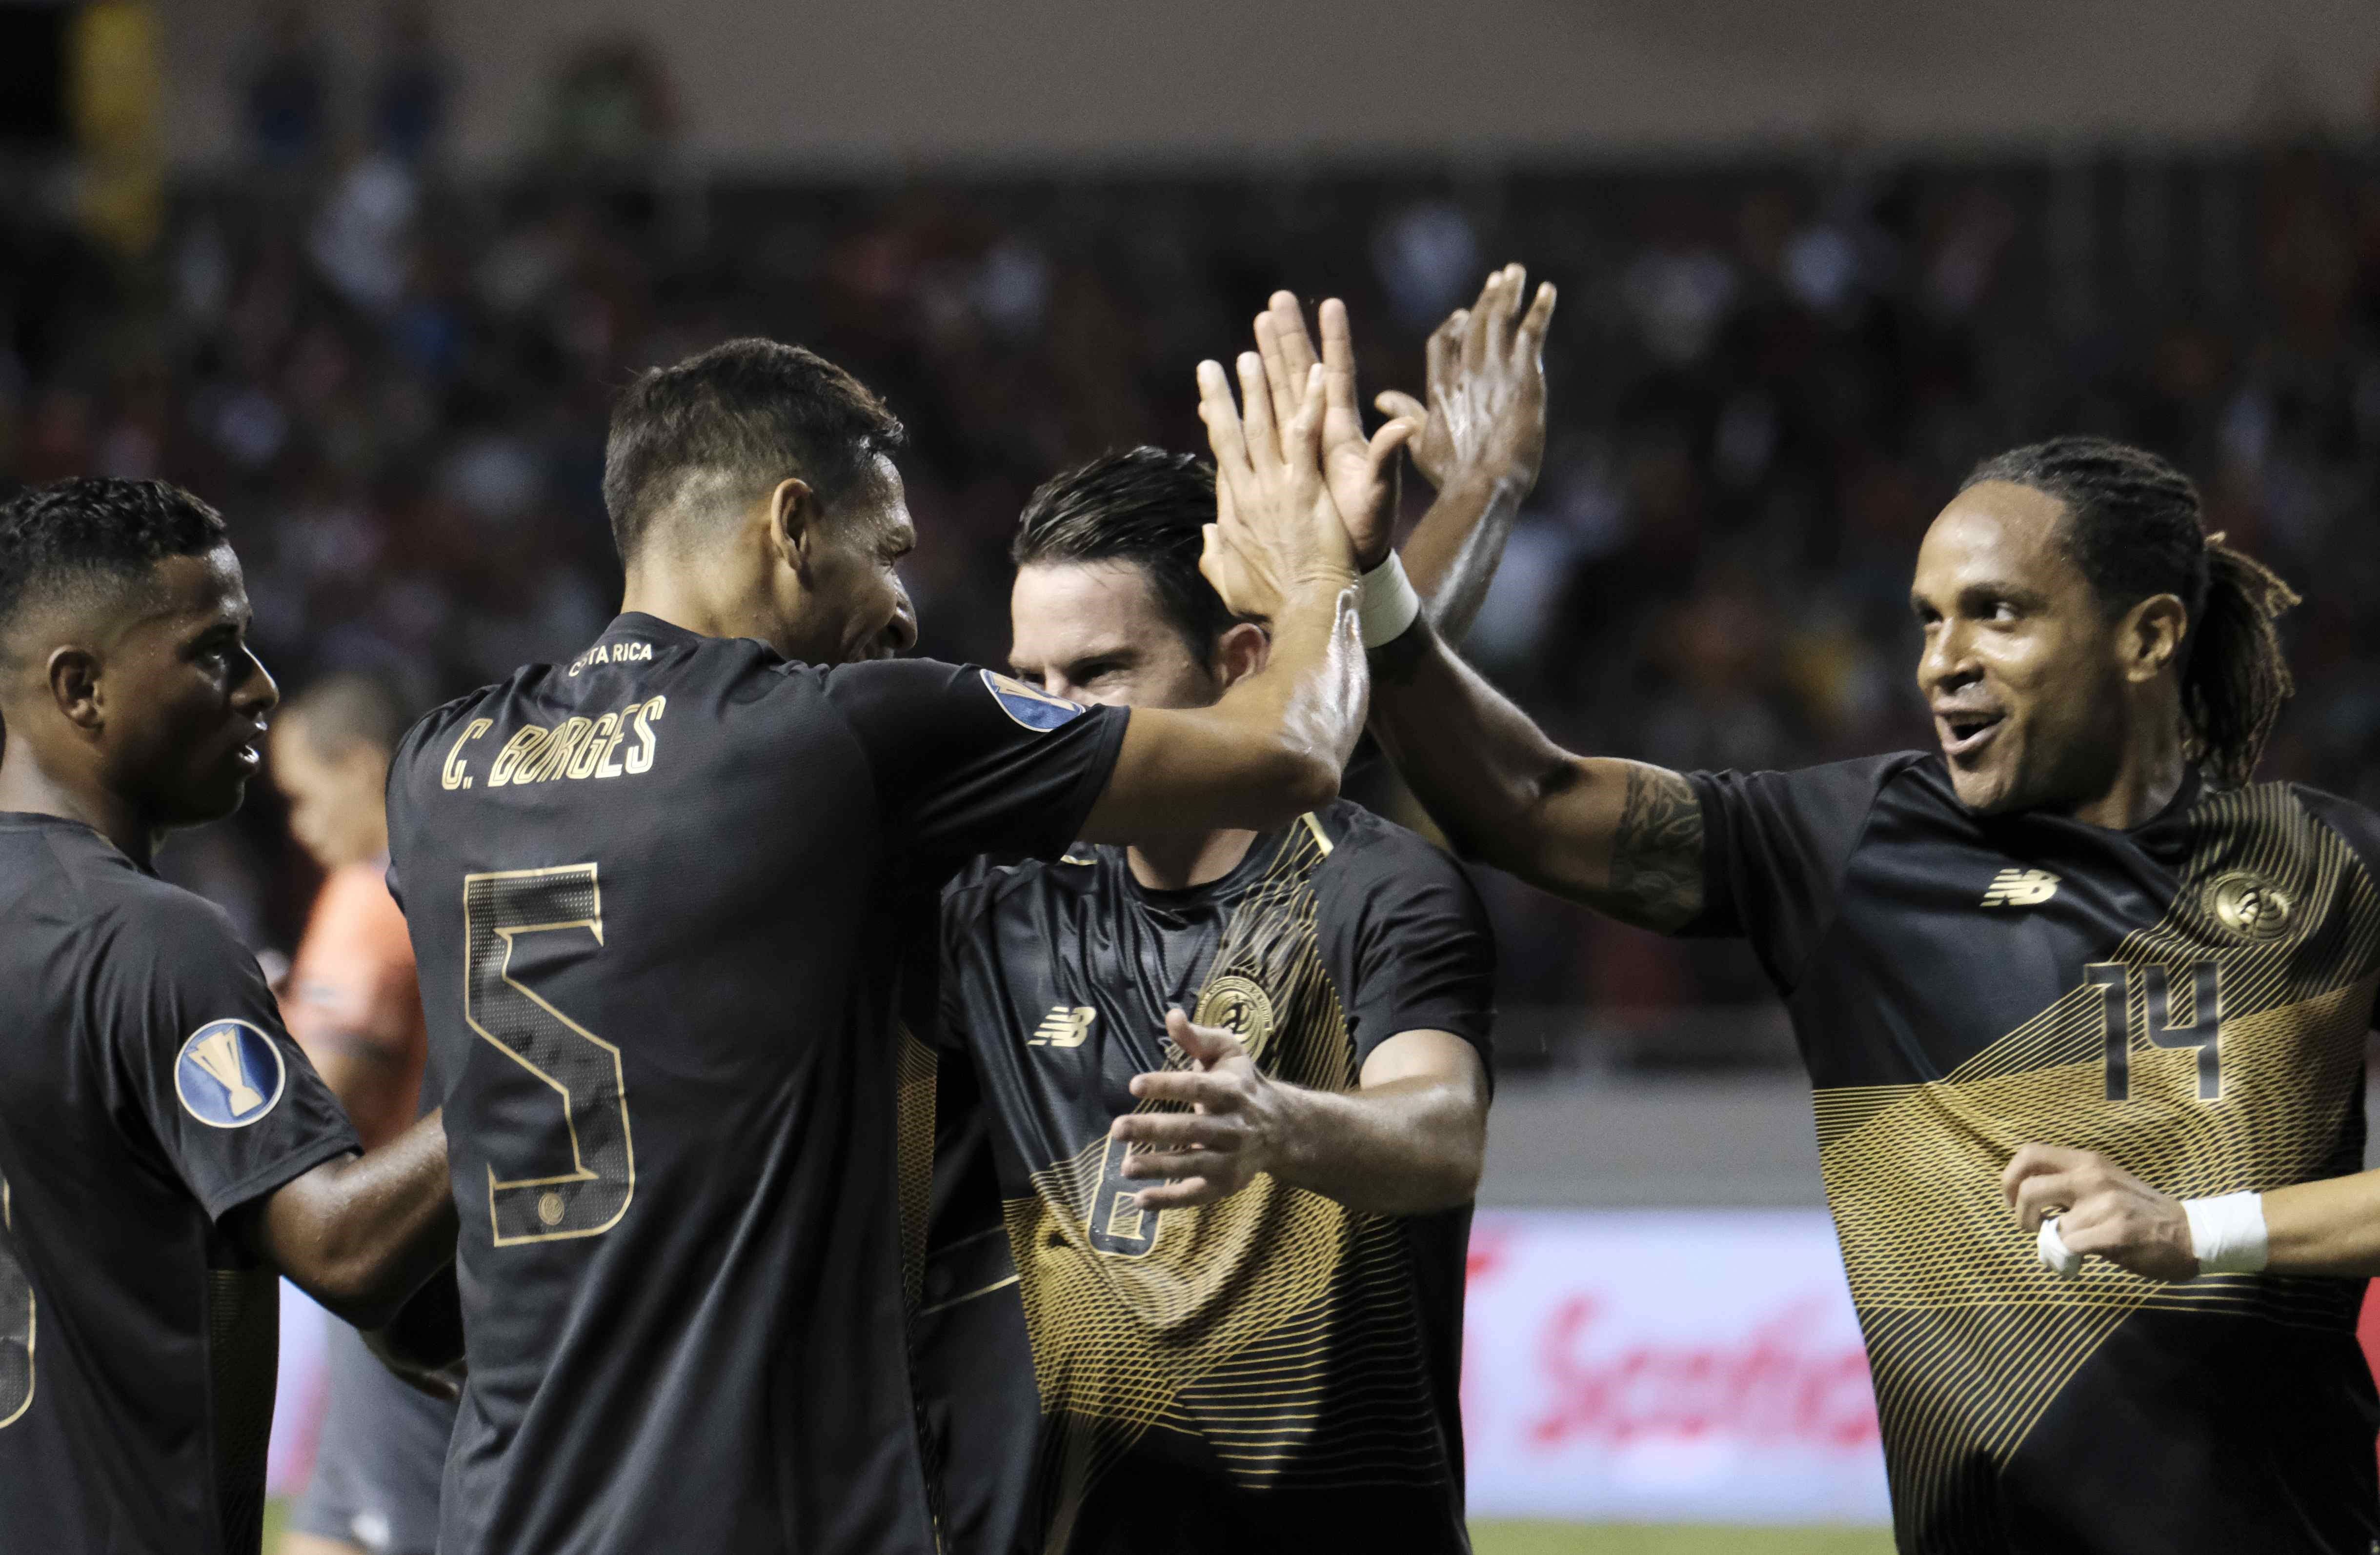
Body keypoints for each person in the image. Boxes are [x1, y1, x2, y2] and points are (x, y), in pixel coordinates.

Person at [381, 334, 1396, 1555]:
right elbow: (1294, 753)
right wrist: (1318, 564)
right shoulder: (838, 738)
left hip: (511, 1511)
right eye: (890, 550)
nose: (906, 609)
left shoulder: (438, 768)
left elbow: (413, 1276)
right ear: (793, 524)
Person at [1330, 419, 2380, 1553]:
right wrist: (1374, 577)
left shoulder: (2333, 866)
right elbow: (1527, 800)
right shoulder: (1857, 845)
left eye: (1998, 613)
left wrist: (2196, 1229)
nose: (1943, 661)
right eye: (1930, 619)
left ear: (2149, 636)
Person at [915, 266, 1551, 1555]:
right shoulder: (997, 899)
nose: (1049, 717)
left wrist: (1277, 1120)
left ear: (1237, 664)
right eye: (1029, 677)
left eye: (1097, 672)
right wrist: (1466, 502)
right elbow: (1320, 705)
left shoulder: (1372, 884)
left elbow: (1440, 1131)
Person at [0, 477, 458, 1554]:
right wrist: (541, 1049)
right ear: (81, 689)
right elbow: (339, 1248)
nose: (259, 687)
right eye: (215, 651)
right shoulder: (152, 943)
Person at [273, 672, 456, 1555]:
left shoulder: (369, 896)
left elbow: (318, 1106)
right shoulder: (457, 869)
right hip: (437, 1251)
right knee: (333, 1521)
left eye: (305, 796)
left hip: (395, 1259)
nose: (300, 826)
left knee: (369, 1529)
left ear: (358, 767)